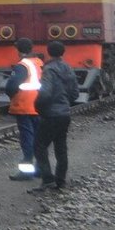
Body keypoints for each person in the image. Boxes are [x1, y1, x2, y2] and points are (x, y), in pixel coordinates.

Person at [29, 40, 79, 193]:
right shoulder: (68, 68)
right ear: (63, 53)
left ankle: (48, 180)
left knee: (39, 146)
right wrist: (65, 104)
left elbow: (45, 93)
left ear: (48, 52)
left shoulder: (49, 70)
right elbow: (75, 93)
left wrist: (37, 106)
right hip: (64, 114)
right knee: (61, 147)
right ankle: (61, 180)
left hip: (51, 114)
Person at [4, 37, 42, 181]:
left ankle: (26, 172)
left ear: (18, 50)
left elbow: (12, 85)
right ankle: (40, 169)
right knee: (39, 139)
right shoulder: (38, 63)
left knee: (27, 139)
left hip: (24, 106)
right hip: (38, 106)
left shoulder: (22, 66)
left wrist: (11, 94)